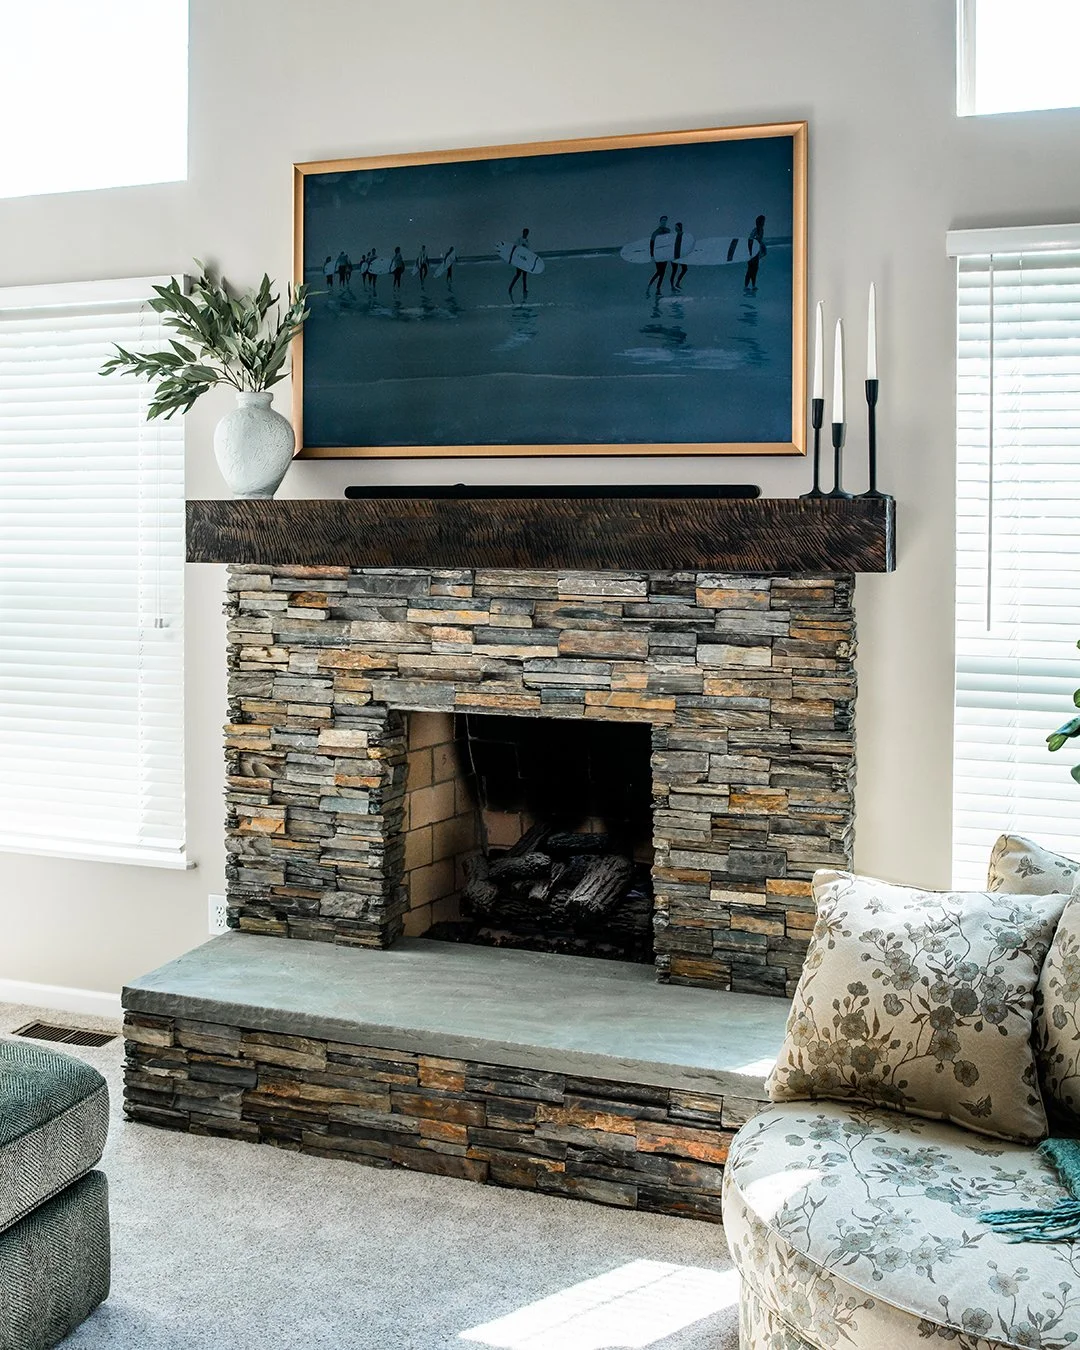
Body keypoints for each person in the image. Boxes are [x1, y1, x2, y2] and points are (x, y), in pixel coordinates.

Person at [646, 215, 672, 296]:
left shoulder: (668, 231)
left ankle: (657, 289)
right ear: (660, 221)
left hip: (665, 254)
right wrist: (652, 255)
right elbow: (652, 244)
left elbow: (669, 243)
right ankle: (650, 285)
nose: (664, 221)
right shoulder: (656, 232)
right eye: (663, 220)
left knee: (662, 273)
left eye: (665, 220)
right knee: (659, 271)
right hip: (658, 255)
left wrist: (670, 254)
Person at [508, 227, 532, 301]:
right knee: (518, 275)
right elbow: (515, 247)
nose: (526, 234)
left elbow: (528, 252)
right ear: (523, 232)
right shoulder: (519, 239)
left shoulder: (527, 242)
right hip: (519, 261)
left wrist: (528, 261)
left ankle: (524, 289)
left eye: (527, 233)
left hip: (524, 261)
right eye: (525, 232)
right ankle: (510, 287)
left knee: (524, 276)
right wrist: (512, 257)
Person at [744, 215, 767, 291]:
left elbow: (760, 241)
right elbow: (750, 240)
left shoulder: (761, 230)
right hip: (752, 253)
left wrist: (763, 248)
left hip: (756, 252)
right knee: (750, 270)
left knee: (755, 270)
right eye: (762, 221)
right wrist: (750, 254)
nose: (763, 223)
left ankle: (753, 286)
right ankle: (746, 286)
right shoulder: (755, 230)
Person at [670, 221, 689, 293]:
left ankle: (676, 283)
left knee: (683, 269)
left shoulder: (681, 235)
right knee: (675, 271)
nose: (675, 228)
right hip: (675, 256)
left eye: (676, 227)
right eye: (675, 227)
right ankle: (673, 285)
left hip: (679, 256)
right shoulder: (676, 235)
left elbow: (681, 246)